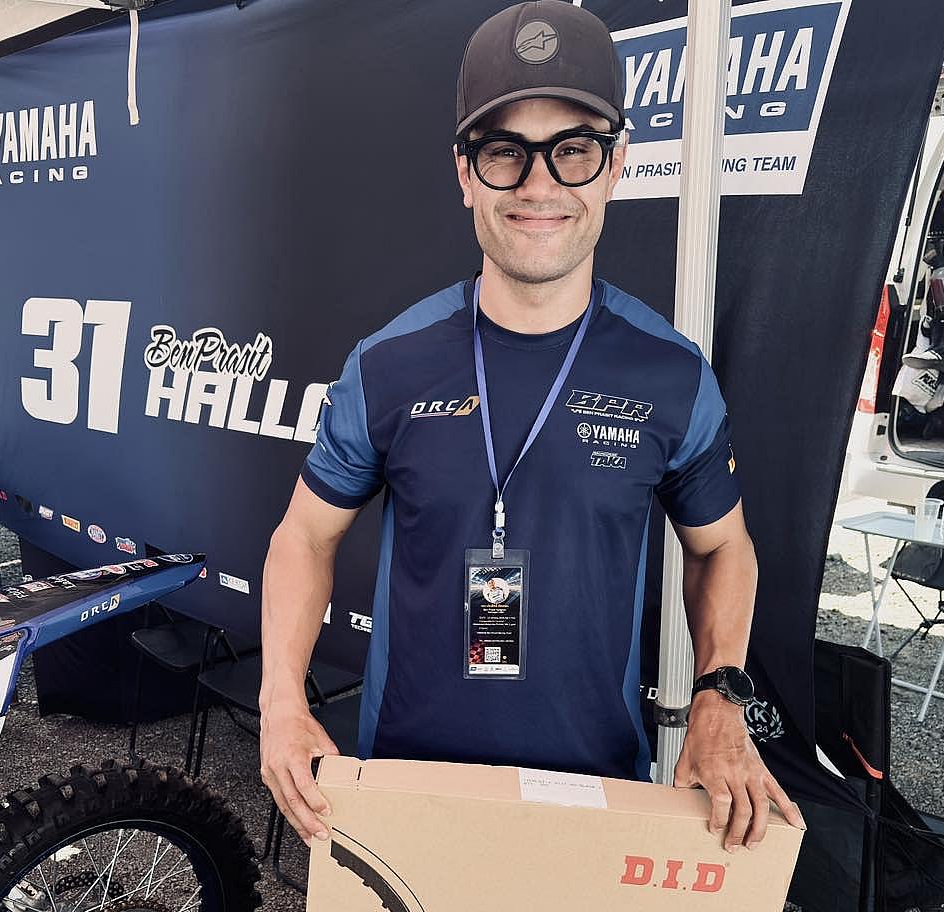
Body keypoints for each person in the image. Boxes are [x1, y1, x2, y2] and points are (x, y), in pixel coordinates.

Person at [259, 0, 804, 852]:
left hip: (597, 800)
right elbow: (303, 536)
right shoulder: (387, 365)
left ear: (616, 165)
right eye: (505, 151)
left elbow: (722, 548)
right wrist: (281, 700)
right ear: (465, 173)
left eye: (573, 149)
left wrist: (718, 693)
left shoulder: (671, 375)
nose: (540, 186)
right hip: (404, 793)